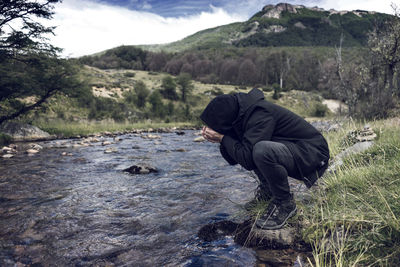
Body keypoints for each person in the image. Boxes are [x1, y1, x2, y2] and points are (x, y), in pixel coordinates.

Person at [200, 88, 329, 230]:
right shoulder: (241, 116)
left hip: (313, 153)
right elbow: (234, 159)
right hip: (296, 149)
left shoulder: (259, 114)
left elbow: (247, 160)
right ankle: (268, 192)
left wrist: (224, 138)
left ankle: (285, 204)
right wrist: (222, 140)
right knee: (252, 147)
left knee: (261, 150)